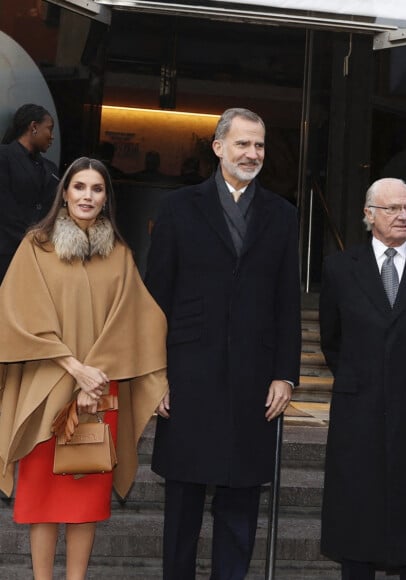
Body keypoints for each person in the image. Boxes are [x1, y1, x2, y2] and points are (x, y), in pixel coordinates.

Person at [145, 107, 301, 579]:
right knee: (183, 505)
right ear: (218, 148)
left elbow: (287, 301)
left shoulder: (282, 213)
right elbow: (156, 297)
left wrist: (286, 373)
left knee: (240, 504)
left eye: (259, 145)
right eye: (242, 144)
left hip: (254, 377)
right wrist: (156, 375)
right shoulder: (178, 208)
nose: (252, 153)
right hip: (190, 371)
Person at [0, 157, 168, 580]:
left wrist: (99, 374)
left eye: (96, 189)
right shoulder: (36, 246)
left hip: (100, 391)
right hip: (47, 387)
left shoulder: (120, 254)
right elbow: (18, 314)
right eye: (79, 188)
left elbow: (137, 320)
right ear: (65, 193)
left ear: (106, 197)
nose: (87, 196)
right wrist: (75, 368)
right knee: (42, 499)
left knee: (85, 500)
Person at [319, 178, 406, 579]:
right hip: (358, 408)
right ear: (368, 215)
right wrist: (363, 378)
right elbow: (332, 339)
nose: (403, 216)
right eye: (393, 208)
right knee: (357, 512)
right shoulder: (340, 267)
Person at [0, 103, 59, 282]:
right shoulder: (4, 157)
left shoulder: (50, 168)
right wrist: (28, 240)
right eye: (49, 129)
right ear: (34, 127)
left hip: (40, 254)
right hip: (6, 251)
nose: (52, 136)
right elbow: (4, 206)